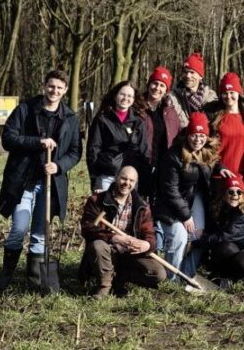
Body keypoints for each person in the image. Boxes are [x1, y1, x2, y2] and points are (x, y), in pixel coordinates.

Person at [0, 70, 82, 293]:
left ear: (65, 90)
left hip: (50, 185)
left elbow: (75, 152)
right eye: (51, 86)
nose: (55, 91)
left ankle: (34, 281)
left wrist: (58, 166)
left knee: (40, 233)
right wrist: (38, 142)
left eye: (59, 88)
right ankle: (6, 275)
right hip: (24, 181)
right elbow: (8, 139)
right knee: (19, 228)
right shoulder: (25, 110)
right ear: (44, 86)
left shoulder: (70, 118)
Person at [79, 166, 165, 297]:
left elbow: (150, 235)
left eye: (131, 180)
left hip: (128, 256)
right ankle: (104, 286)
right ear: (116, 177)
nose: (127, 183)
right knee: (97, 245)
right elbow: (87, 228)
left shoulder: (141, 206)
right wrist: (114, 238)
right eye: (124, 178)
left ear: (135, 183)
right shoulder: (97, 200)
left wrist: (147, 245)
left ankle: (119, 280)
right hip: (106, 252)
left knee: (158, 274)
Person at [157, 111, 217, 288]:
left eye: (201, 135)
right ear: (187, 135)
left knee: (199, 237)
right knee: (180, 237)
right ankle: (171, 279)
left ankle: (186, 273)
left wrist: (221, 170)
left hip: (193, 201)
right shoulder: (173, 156)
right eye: (194, 135)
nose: (197, 139)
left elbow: (212, 167)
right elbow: (170, 190)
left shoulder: (206, 152)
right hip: (171, 206)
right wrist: (185, 216)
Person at [203, 72, 244, 199]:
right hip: (219, 178)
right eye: (225, 92)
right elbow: (206, 148)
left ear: (238, 93)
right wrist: (218, 168)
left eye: (232, 92)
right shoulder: (213, 117)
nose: (228, 96)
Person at [202, 169, 244, 286]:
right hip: (231, 246)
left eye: (239, 192)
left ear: (243, 195)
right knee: (224, 249)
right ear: (224, 194)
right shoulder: (219, 208)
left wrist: (199, 240)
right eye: (231, 192)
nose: (235, 196)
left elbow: (226, 235)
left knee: (243, 260)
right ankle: (225, 278)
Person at [86, 81, 149, 194]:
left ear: (134, 99)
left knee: (126, 212)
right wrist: (96, 180)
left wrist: (145, 181)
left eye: (130, 96)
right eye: (122, 94)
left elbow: (144, 154)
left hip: (130, 179)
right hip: (107, 177)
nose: (126, 98)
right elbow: (93, 151)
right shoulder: (102, 120)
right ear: (115, 96)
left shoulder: (138, 123)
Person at [134, 65, 185, 184]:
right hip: (139, 164)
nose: (157, 88)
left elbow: (177, 137)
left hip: (164, 168)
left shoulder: (171, 111)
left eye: (162, 85)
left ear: (166, 90)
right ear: (149, 84)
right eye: (155, 83)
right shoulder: (136, 108)